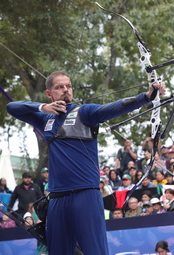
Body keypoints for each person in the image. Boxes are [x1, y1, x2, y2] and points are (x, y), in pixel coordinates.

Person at [6, 70, 165, 255]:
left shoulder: (85, 112)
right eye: (59, 87)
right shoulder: (44, 119)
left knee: (94, 251)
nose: (65, 90)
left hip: (86, 195)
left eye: (68, 86)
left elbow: (112, 108)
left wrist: (145, 97)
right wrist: (43, 107)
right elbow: (12, 107)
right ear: (49, 93)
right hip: (57, 198)